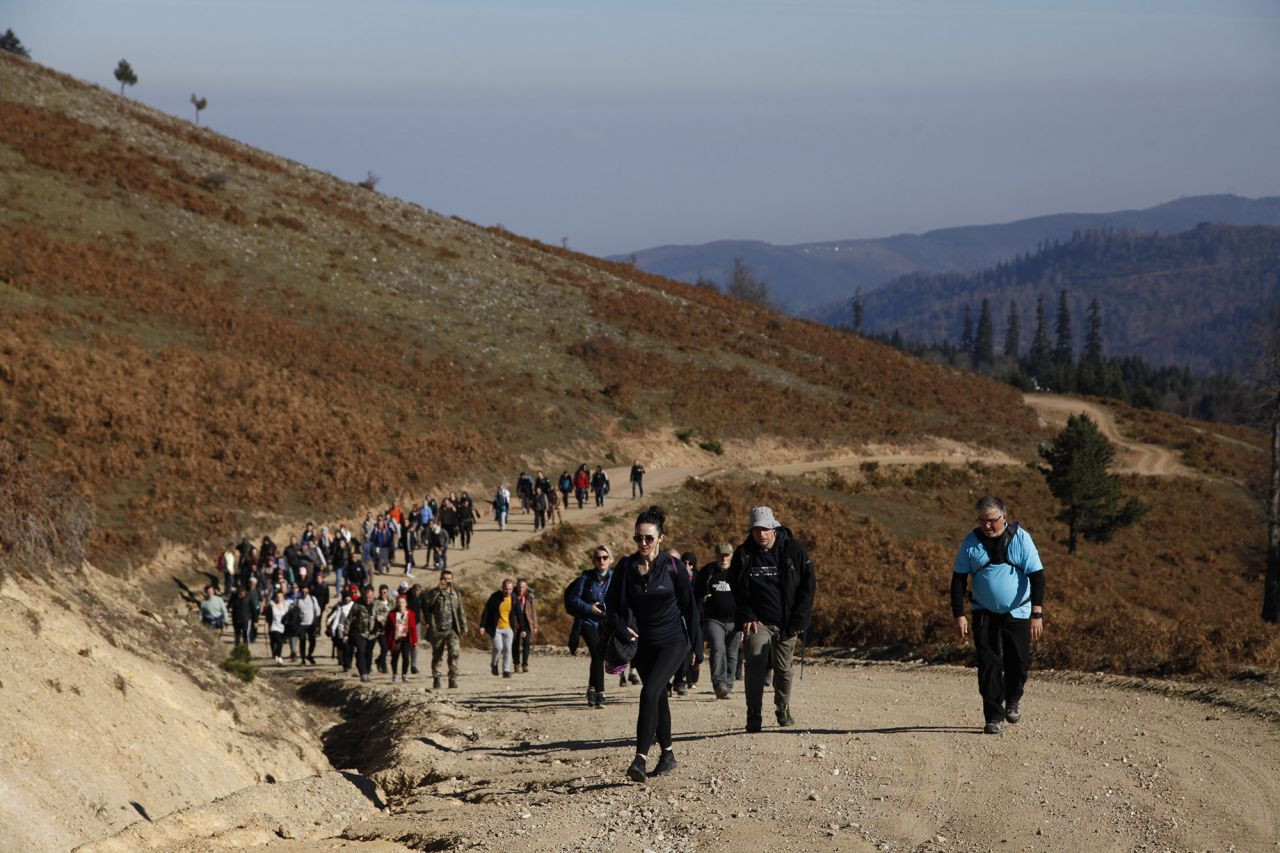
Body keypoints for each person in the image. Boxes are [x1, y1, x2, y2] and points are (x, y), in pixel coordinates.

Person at [607, 506, 702, 783]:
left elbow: (690, 608)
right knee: (658, 697)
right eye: (638, 538)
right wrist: (620, 629)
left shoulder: (673, 568)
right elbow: (611, 606)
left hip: (673, 642)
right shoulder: (626, 567)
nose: (643, 544)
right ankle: (668, 754)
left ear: (661, 538)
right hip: (643, 645)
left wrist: (697, 645)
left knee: (649, 692)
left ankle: (640, 758)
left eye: (648, 538)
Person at [952, 495, 1045, 734]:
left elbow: (1037, 575)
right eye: (982, 520)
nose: (987, 525)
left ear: (1004, 517)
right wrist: (959, 614)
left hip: (1018, 611)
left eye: (992, 520)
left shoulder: (1021, 539)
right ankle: (993, 716)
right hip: (983, 611)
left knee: (1019, 661)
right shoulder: (970, 543)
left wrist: (1037, 613)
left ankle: (1013, 699)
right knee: (989, 663)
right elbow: (959, 579)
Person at [729, 506, 816, 733]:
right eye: (757, 530)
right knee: (755, 665)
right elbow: (735, 588)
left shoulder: (793, 550)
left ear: (774, 527)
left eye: (766, 529)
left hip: (787, 622)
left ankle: (782, 706)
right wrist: (747, 614)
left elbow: (808, 587)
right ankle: (754, 714)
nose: (761, 535)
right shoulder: (744, 553)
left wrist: (799, 619)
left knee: (784, 669)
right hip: (758, 622)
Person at [568, 545, 614, 707]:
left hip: (606, 622)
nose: (601, 560)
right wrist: (590, 608)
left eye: (605, 557)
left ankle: (591, 688)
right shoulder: (585, 578)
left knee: (598, 655)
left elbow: (620, 600)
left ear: (610, 559)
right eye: (598, 558)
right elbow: (574, 599)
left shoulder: (615, 578)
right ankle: (600, 692)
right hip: (588, 621)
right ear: (593, 561)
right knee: (597, 653)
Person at [695, 543, 741, 699]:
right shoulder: (707, 572)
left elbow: (747, 595)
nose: (724, 558)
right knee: (718, 648)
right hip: (714, 619)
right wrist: (698, 616)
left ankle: (728, 684)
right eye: (721, 555)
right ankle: (719, 684)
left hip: (735, 620)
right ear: (716, 556)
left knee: (732, 653)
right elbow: (696, 595)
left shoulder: (738, 571)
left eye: (727, 555)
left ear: (731, 556)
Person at [424, 569, 466, 689]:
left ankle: (452, 678)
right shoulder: (434, 593)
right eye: (444, 579)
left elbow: (460, 610)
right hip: (438, 629)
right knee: (437, 655)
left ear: (452, 580)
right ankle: (436, 678)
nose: (446, 581)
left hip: (453, 629)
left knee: (454, 653)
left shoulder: (455, 594)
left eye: (448, 579)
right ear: (440, 579)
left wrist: (463, 626)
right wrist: (437, 591)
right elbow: (427, 606)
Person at [481, 578, 517, 678]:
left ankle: (506, 670)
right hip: (496, 627)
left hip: (508, 627)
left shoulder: (514, 598)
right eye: (506, 589)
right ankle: (494, 663)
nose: (507, 591)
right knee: (498, 647)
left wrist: (522, 628)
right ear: (502, 588)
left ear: (512, 589)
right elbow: (487, 611)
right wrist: (482, 626)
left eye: (510, 589)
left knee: (508, 648)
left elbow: (519, 614)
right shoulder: (495, 597)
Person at [346, 586, 378, 682]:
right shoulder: (357, 604)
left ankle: (367, 671)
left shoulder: (376, 604)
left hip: (372, 633)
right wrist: (345, 633)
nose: (368, 599)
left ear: (373, 595)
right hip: (360, 632)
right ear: (363, 594)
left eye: (370, 597)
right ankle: (363, 673)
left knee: (369, 653)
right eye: (366, 596)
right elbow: (349, 619)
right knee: (361, 651)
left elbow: (384, 615)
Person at [385, 594, 418, 682]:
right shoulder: (392, 614)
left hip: (406, 639)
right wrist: (388, 640)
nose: (400, 604)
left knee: (406, 657)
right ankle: (395, 674)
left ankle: (404, 674)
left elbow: (414, 628)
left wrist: (415, 641)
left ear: (406, 604)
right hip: (396, 639)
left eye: (402, 602)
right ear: (396, 604)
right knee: (395, 658)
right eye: (399, 603)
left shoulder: (410, 614)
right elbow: (387, 628)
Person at [512, 578, 538, 673]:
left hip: (527, 622)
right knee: (515, 643)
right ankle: (516, 663)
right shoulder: (512, 596)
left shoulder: (529, 597)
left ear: (526, 587)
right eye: (519, 587)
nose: (521, 589)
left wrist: (535, 626)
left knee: (526, 643)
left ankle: (525, 664)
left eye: (523, 587)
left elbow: (533, 612)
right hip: (515, 622)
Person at [295, 583, 321, 665]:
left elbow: (318, 611)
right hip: (301, 624)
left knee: (312, 641)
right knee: (302, 641)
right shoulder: (297, 600)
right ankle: (303, 659)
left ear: (308, 591)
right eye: (302, 591)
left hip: (311, 624)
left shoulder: (313, 599)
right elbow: (294, 611)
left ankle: (309, 654)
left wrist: (316, 621)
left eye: (306, 591)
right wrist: (298, 615)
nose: (304, 593)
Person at [266, 589, 290, 665]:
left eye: (281, 597)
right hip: (274, 627)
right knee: (279, 642)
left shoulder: (286, 605)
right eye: (277, 597)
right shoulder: (272, 606)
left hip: (283, 628)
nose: (279, 598)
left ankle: (276, 655)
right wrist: (266, 628)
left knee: (280, 643)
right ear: (275, 597)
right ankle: (279, 657)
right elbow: (267, 618)